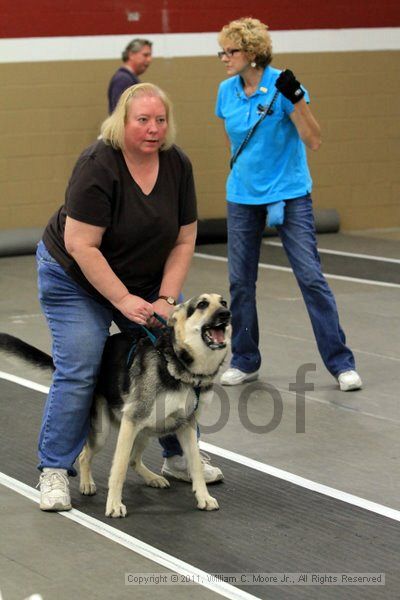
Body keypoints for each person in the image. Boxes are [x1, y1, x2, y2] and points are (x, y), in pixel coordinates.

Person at [36, 83, 222, 512]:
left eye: (160, 120)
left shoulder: (177, 164)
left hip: (140, 279)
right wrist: (122, 299)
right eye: (142, 120)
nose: (153, 129)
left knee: (176, 353)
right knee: (81, 366)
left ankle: (178, 459)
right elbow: (82, 245)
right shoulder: (98, 164)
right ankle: (53, 469)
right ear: (122, 121)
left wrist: (166, 300)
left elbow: (184, 239)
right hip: (74, 278)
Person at [215, 17, 362, 392]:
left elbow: (313, 140)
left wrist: (296, 99)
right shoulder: (226, 92)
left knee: (311, 277)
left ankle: (341, 363)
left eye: (229, 52)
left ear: (251, 53)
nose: (223, 58)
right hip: (243, 197)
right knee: (240, 283)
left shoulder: (284, 87)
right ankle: (245, 360)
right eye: (222, 52)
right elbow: (235, 141)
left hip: (290, 194)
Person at [107, 38, 153, 113]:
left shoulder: (128, 78)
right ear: (131, 55)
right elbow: (119, 112)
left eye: (150, 55)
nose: (149, 59)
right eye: (145, 55)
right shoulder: (123, 80)